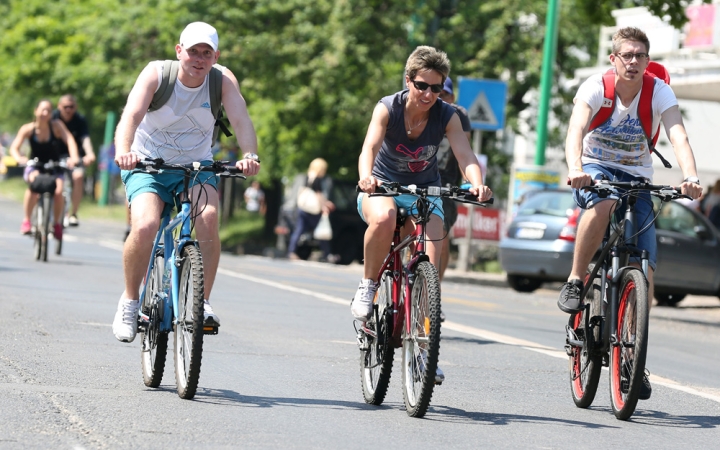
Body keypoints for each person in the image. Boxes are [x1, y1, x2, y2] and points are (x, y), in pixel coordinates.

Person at [558, 27, 702, 399]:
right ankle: (576, 279)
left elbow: (678, 135)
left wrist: (690, 177)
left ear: (647, 60)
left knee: (646, 270)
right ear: (614, 58)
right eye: (627, 54)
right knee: (604, 204)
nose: (634, 61)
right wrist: (576, 168)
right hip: (595, 168)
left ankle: (631, 355)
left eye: (640, 55)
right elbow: (575, 130)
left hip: (637, 175)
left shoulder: (659, 91)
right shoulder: (596, 87)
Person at [351, 46, 492, 384]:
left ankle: (423, 353)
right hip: (381, 186)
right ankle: (369, 284)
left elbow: (465, 153)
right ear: (408, 81)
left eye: (437, 88)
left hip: (425, 190)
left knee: (432, 255)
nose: (429, 94)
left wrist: (477, 184)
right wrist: (367, 176)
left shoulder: (448, 115)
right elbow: (369, 146)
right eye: (422, 86)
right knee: (384, 220)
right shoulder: (388, 107)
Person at [112, 22, 260, 343]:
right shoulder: (156, 75)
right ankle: (130, 300)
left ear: (215, 56)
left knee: (207, 218)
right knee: (146, 226)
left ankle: (201, 303)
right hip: (147, 164)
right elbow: (131, 116)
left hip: (195, 167)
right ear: (179, 51)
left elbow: (241, 121)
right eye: (193, 51)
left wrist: (250, 155)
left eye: (207, 53)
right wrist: (124, 152)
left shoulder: (222, 81)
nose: (199, 59)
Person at [8, 99, 79, 238]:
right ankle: (27, 221)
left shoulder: (57, 126)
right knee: (34, 187)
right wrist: (19, 158)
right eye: (42, 109)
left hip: (55, 166)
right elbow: (14, 148)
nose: (45, 113)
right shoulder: (28, 129)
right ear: (36, 111)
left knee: (59, 192)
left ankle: (56, 224)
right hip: (35, 165)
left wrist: (74, 157)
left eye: (48, 110)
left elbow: (69, 140)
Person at [436, 76, 472, 282]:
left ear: (453, 96)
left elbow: (464, 153)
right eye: (436, 93)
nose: (440, 98)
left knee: (441, 236)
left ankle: (433, 292)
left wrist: (469, 181)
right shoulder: (420, 111)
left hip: (445, 184)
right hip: (416, 179)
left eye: (444, 94)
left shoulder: (458, 115)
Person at [52, 94, 96, 227]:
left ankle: (73, 213)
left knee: (78, 176)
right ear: (59, 107)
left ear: (75, 107)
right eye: (65, 107)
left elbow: (85, 138)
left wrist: (89, 154)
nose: (68, 110)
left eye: (71, 107)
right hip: (55, 156)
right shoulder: (53, 117)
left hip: (75, 157)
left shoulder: (80, 120)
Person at [287, 158, 335, 261]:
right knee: (322, 230)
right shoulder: (317, 178)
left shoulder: (308, 176)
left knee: (298, 231)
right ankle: (327, 254)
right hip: (313, 210)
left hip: (303, 208)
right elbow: (318, 194)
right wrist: (325, 204)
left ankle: (291, 252)